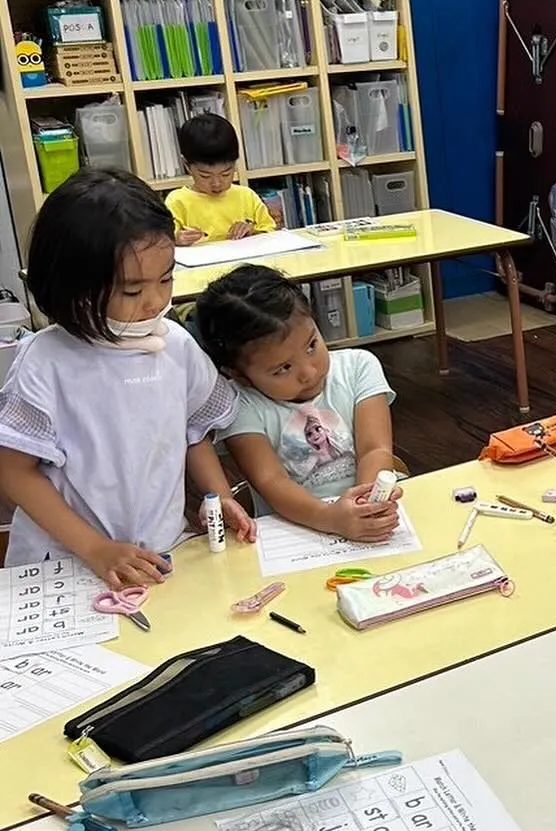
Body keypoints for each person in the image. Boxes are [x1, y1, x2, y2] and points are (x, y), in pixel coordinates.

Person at [0, 168, 254, 588]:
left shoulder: (175, 345)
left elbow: (194, 433)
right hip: (66, 559)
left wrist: (219, 497)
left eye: (167, 278)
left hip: (157, 549)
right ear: (72, 287)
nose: (155, 300)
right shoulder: (46, 361)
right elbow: (14, 472)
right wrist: (96, 548)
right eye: (132, 291)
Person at [196, 264, 402, 542]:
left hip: (369, 513)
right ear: (239, 375)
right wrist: (331, 519)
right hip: (296, 532)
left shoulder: (358, 366)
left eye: (311, 345)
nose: (308, 372)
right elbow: (271, 481)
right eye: (283, 368)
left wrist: (365, 506)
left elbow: (375, 449)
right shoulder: (241, 403)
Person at [167, 114, 278, 246]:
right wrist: (177, 239)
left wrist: (252, 232)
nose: (217, 183)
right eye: (205, 176)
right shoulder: (177, 202)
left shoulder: (246, 196)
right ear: (186, 165)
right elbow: (163, 243)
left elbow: (270, 233)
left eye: (226, 174)